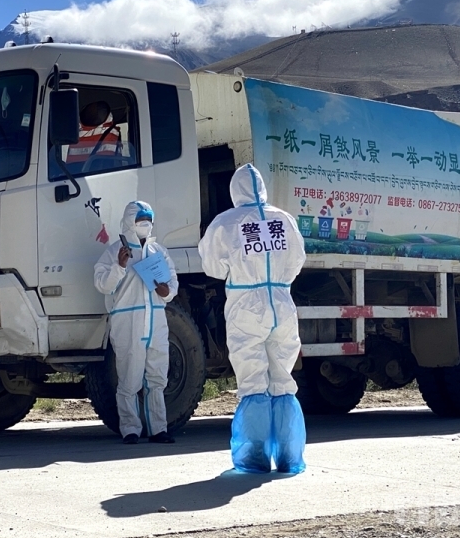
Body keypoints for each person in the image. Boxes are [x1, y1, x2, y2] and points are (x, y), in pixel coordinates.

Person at [198, 163, 307, 474]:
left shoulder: (226, 222)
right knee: (282, 380)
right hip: (282, 303)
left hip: (246, 306)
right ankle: (289, 457)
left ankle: (254, 458)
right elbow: (297, 260)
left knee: (253, 382)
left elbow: (212, 267)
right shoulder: (284, 219)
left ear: (235, 191)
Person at [94, 201, 178, 444]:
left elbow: (172, 281)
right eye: (141, 220)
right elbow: (102, 285)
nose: (146, 225)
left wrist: (167, 292)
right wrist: (119, 267)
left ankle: (158, 429)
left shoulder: (159, 252)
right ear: (129, 222)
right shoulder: (114, 252)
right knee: (129, 377)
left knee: (157, 376)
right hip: (128, 322)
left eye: (149, 220)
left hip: (156, 322)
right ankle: (130, 429)